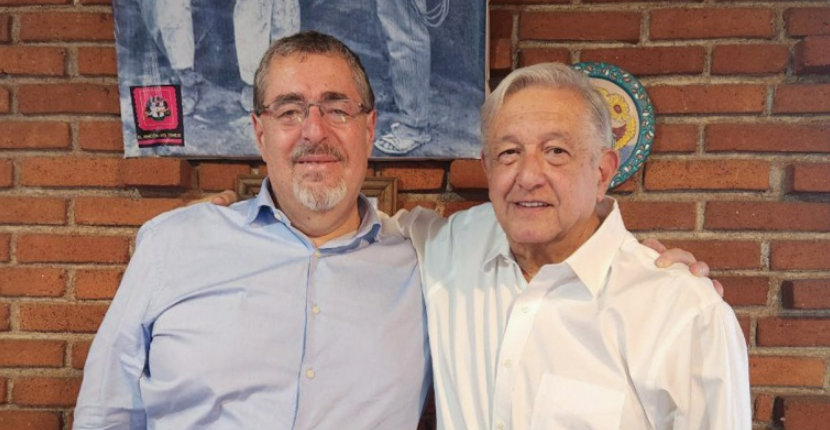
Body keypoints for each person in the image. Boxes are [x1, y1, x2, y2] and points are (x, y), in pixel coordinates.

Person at [73, 31, 430, 430]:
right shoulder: (173, 244)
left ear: (369, 129)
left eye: (337, 109)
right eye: (289, 111)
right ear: (261, 134)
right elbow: (105, 415)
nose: (314, 132)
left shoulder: (426, 268)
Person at [392, 63, 751, 429]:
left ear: (602, 171)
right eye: (509, 153)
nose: (528, 176)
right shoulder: (449, 246)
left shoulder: (683, 312)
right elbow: (365, 226)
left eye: (556, 151)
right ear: (488, 168)